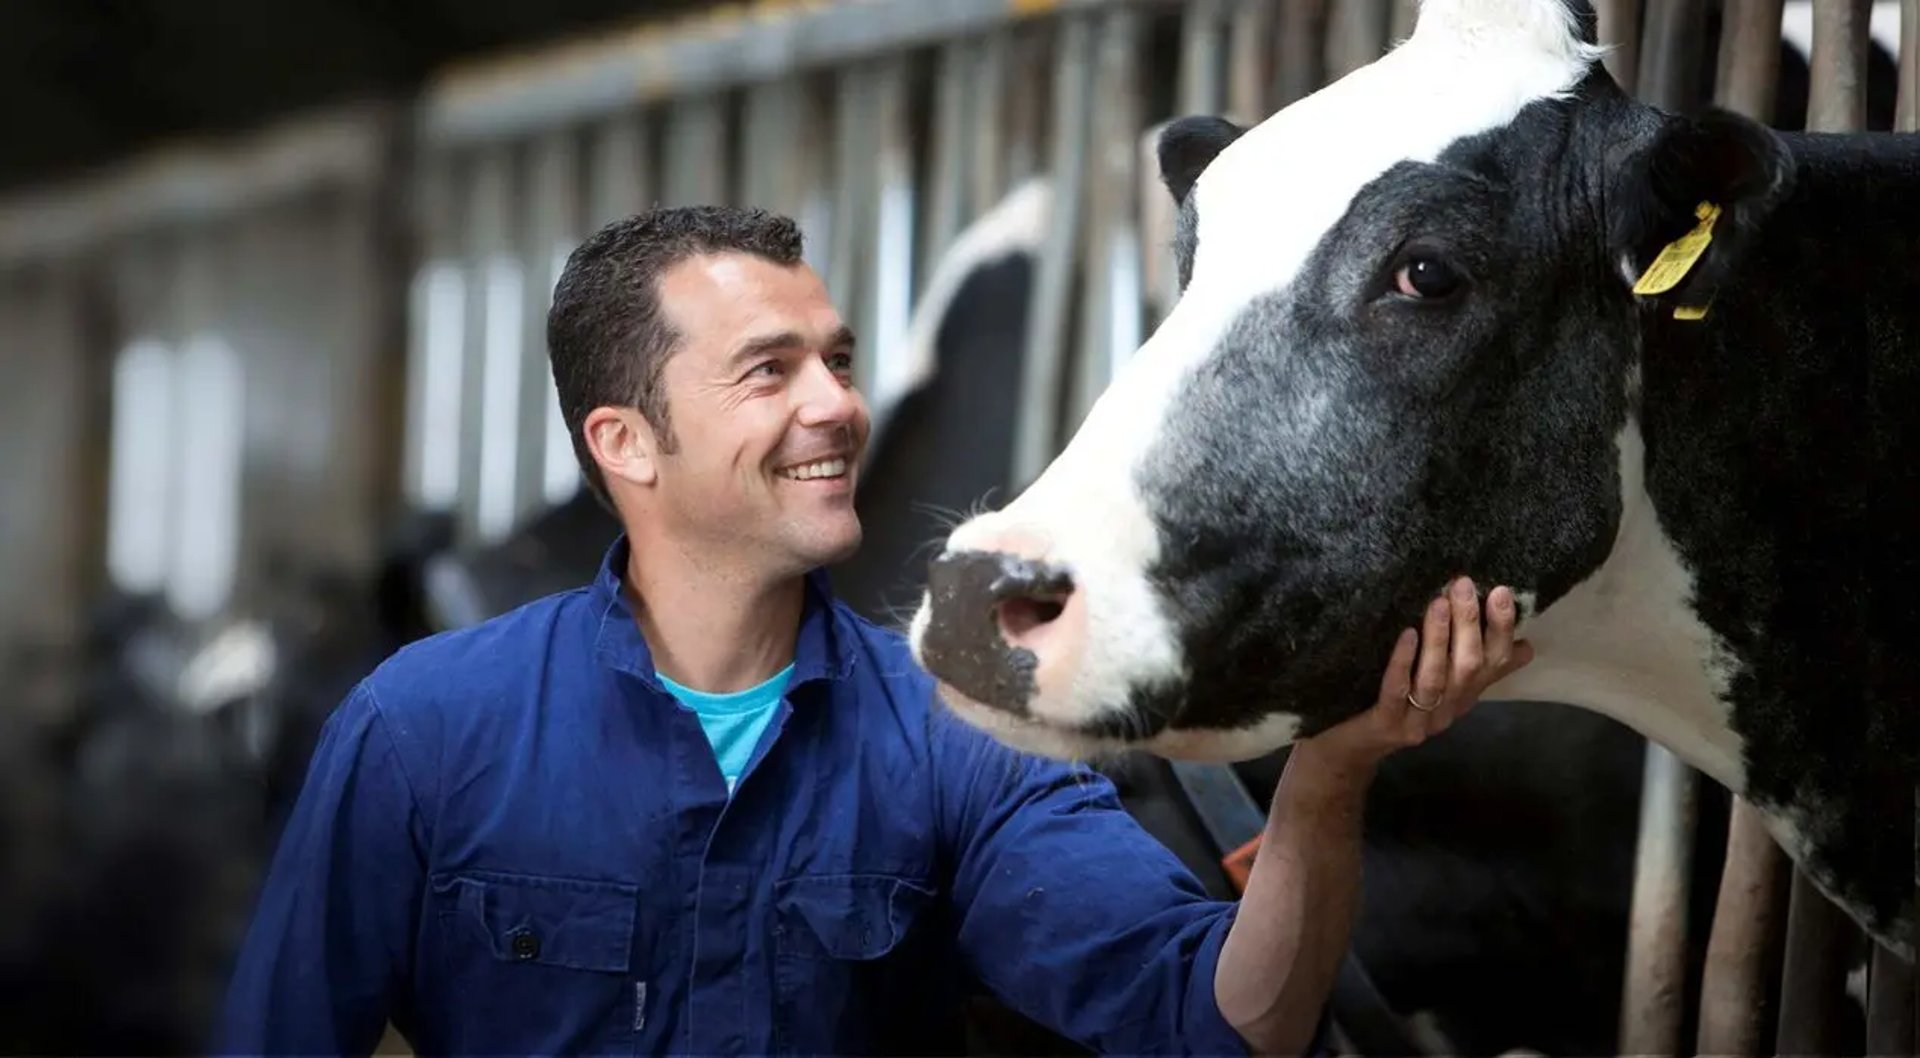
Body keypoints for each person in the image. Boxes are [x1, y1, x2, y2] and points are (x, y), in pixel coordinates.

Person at [211, 205, 1533, 1057]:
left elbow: (1219, 1025)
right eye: (768, 370)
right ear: (625, 442)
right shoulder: (424, 729)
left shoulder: (959, 739)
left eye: (838, 360)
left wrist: (1328, 776)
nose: (838, 406)